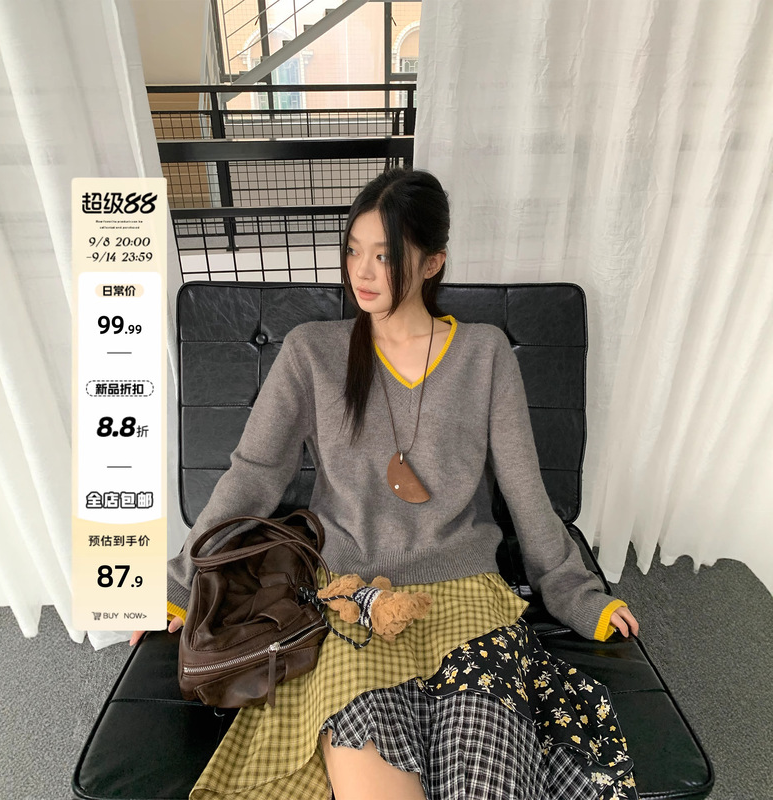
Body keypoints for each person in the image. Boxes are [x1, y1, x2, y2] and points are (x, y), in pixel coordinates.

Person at [131, 167, 640, 800]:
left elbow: (525, 489)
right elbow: (254, 476)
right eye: (354, 251)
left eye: (385, 255)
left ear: (433, 263)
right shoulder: (311, 352)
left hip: (467, 599)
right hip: (351, 601)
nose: (363, 272)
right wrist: (182, 583)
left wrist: (576, 593)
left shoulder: (484, 354)